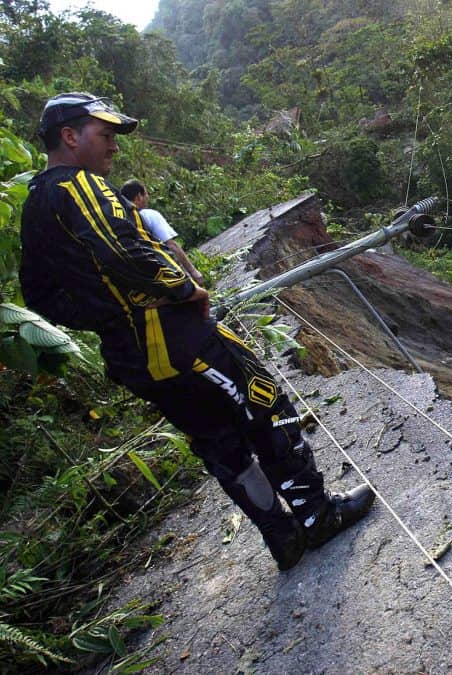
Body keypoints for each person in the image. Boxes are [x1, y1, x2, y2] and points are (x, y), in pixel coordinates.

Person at [19, 92, 374, 571]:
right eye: (104, 135)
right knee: (265, 404)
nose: (114, 148)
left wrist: (108, 317)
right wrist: (187, 291)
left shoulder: (36, 202)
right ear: (69, 135)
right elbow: (126, 254)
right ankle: (316, 515)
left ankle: (282, 537)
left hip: (133, 357)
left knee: (217, 439)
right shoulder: (81, 187)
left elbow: (40, 297)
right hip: (175, 337)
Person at [120, 179, 205, 286]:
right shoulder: (148, 215)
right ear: (138, 197)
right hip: (166, 274)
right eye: (146, 193)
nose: (147, 197)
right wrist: (193, 271)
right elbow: (171, 245)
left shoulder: (122, 222)